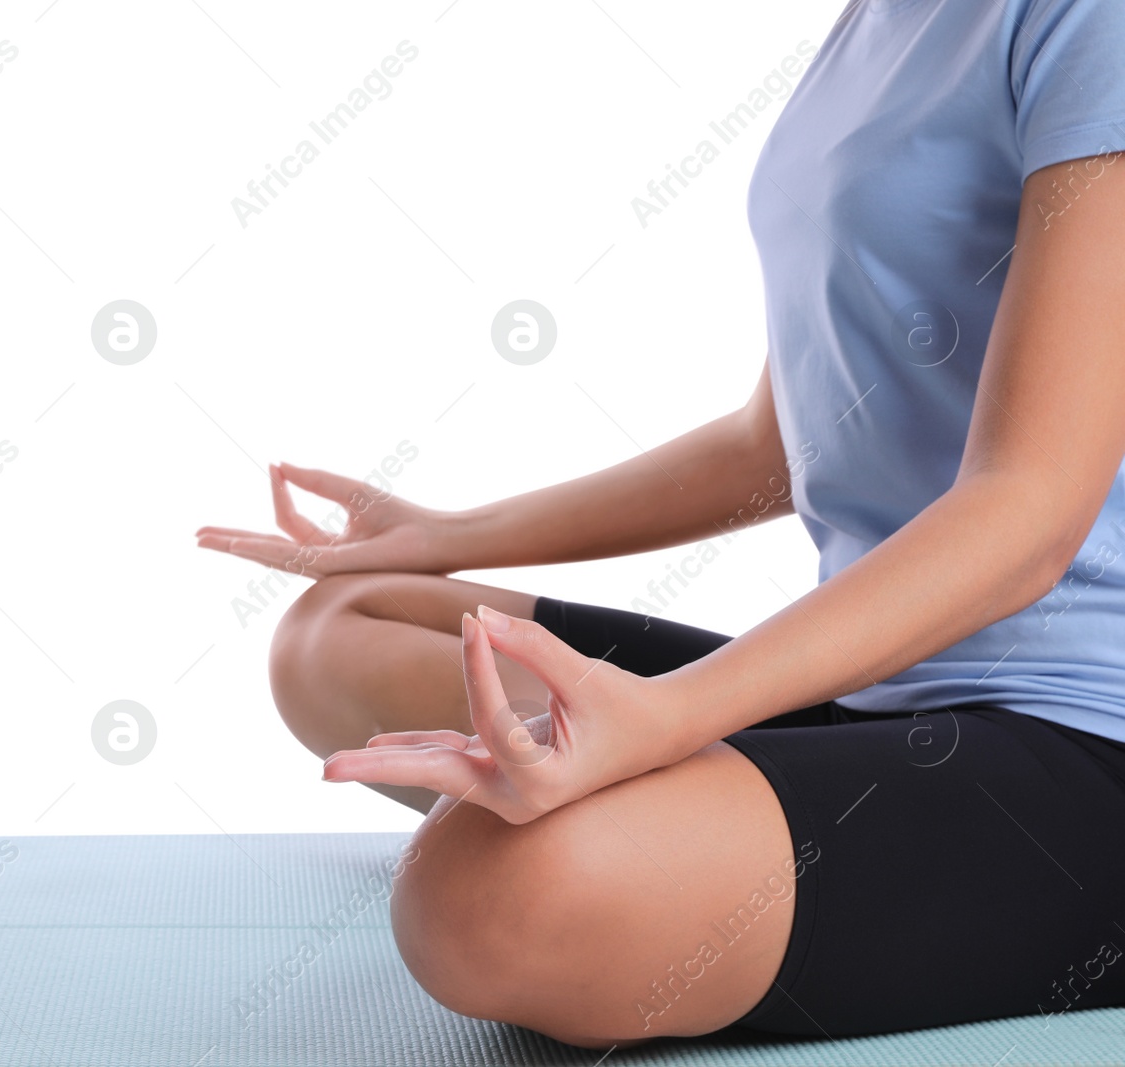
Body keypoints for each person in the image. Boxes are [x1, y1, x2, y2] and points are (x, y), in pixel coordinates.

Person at [198, 0, 1125, 1048]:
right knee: (340, 627)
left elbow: (1030, 508)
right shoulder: (876, 22)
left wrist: (668, 716)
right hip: (881, 689)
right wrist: (446, 534)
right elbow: (772, 448)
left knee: (487, 897)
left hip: (1088, 739)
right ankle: (679, 828)